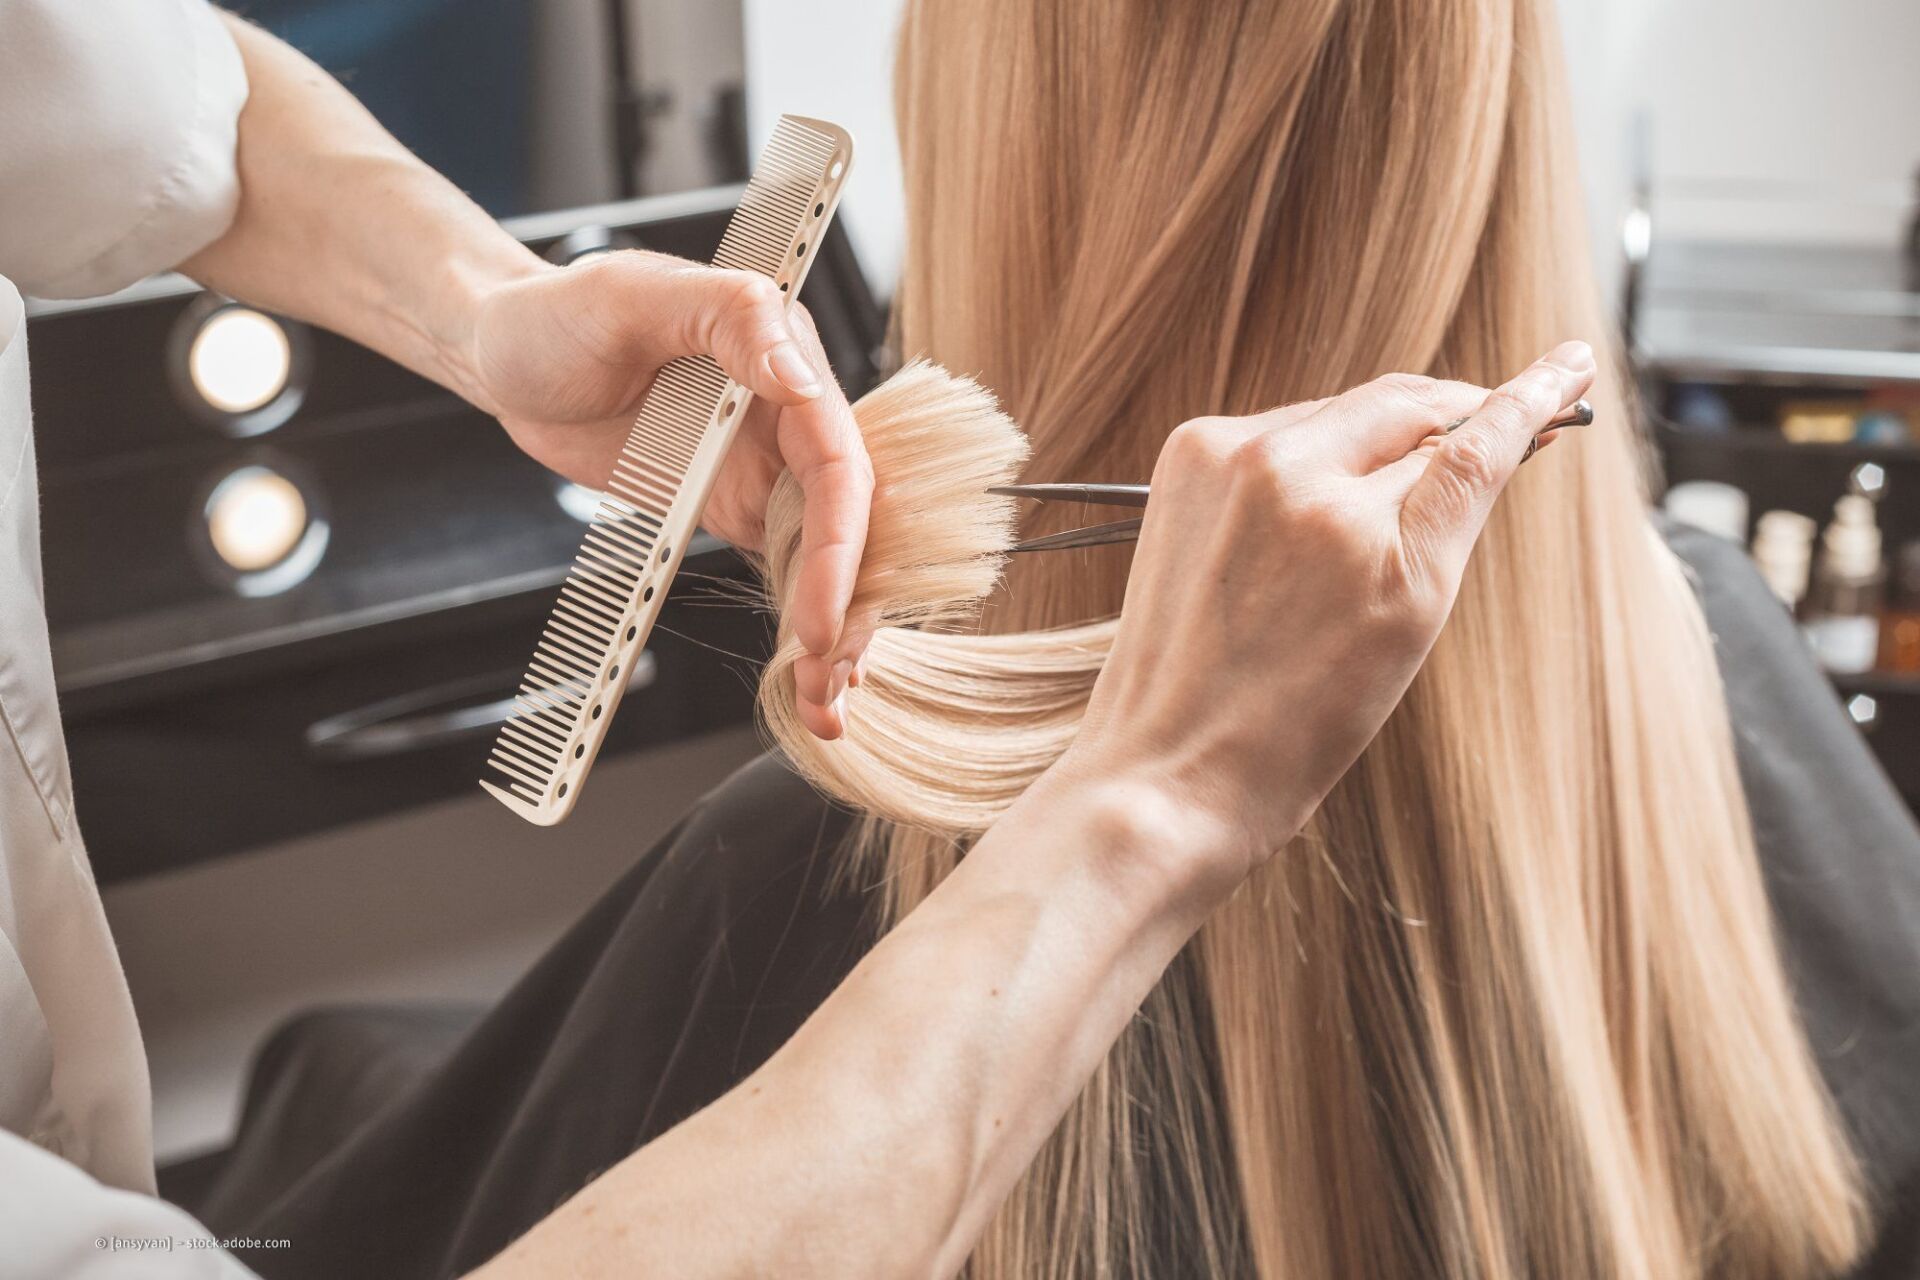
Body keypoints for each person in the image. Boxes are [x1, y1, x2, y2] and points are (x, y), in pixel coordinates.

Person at [210, 2, 1920, 1278]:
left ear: (1008, 144)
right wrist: (482, 304)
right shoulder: (1723, 642)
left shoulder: (818, 885)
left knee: (307, 1072)